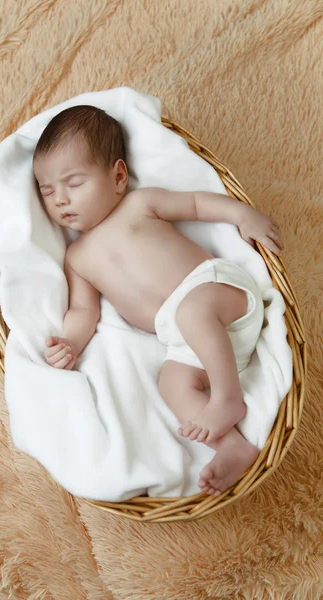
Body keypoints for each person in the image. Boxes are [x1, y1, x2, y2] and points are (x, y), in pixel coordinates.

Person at [33, 105, 284, 497]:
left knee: (193, 312)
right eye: (47, 191)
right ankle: (232, 444)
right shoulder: (77, 258)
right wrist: (70, 343)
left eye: (74, 183)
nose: (60, 200)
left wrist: (243, 215)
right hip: (189, 341)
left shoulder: (139, 204)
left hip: (216, 294)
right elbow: (84, 311)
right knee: (171, 383)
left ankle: (227, 399)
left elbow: (199, 205)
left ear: (117, 176)